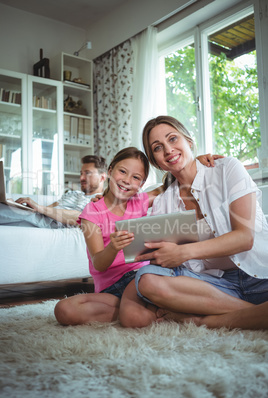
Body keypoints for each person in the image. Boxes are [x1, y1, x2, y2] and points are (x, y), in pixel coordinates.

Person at [119, 115, 268, 330]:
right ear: (154, 160)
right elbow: (125, 205)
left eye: (172, 139)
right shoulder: (164, 203)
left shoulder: (227, 169)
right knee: (146, 279)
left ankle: (208, 321)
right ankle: (255, 314)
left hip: (259, 273)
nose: (168, 150)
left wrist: (184, 252)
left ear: (188, 141)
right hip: (215, 287)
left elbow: (245, 237)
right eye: (158, 148)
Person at [54, 147, 160, 325]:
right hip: (110, 289)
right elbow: (99, 264)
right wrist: (113, 247)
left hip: (140, 278)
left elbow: (169, 184)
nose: (127, 180)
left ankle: (139, 310)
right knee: (64, 310)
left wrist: (199, 161)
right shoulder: (92, 211)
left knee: (139, 291)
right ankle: (146, 310)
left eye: (136, 177)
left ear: (141, 184)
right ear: (110, 171)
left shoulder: (139, 201)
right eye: (122, 171)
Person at [0, 155, 107, 228]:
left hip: (54, 223)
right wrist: (15, 205)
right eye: (81, 173)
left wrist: (39, 208)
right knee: (5, 207)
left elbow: (80, 218)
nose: (82, 178)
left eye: (87, 173)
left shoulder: (101, 200)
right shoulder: (72, 193)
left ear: (102, 177)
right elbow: (48, 209)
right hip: (43, 217)